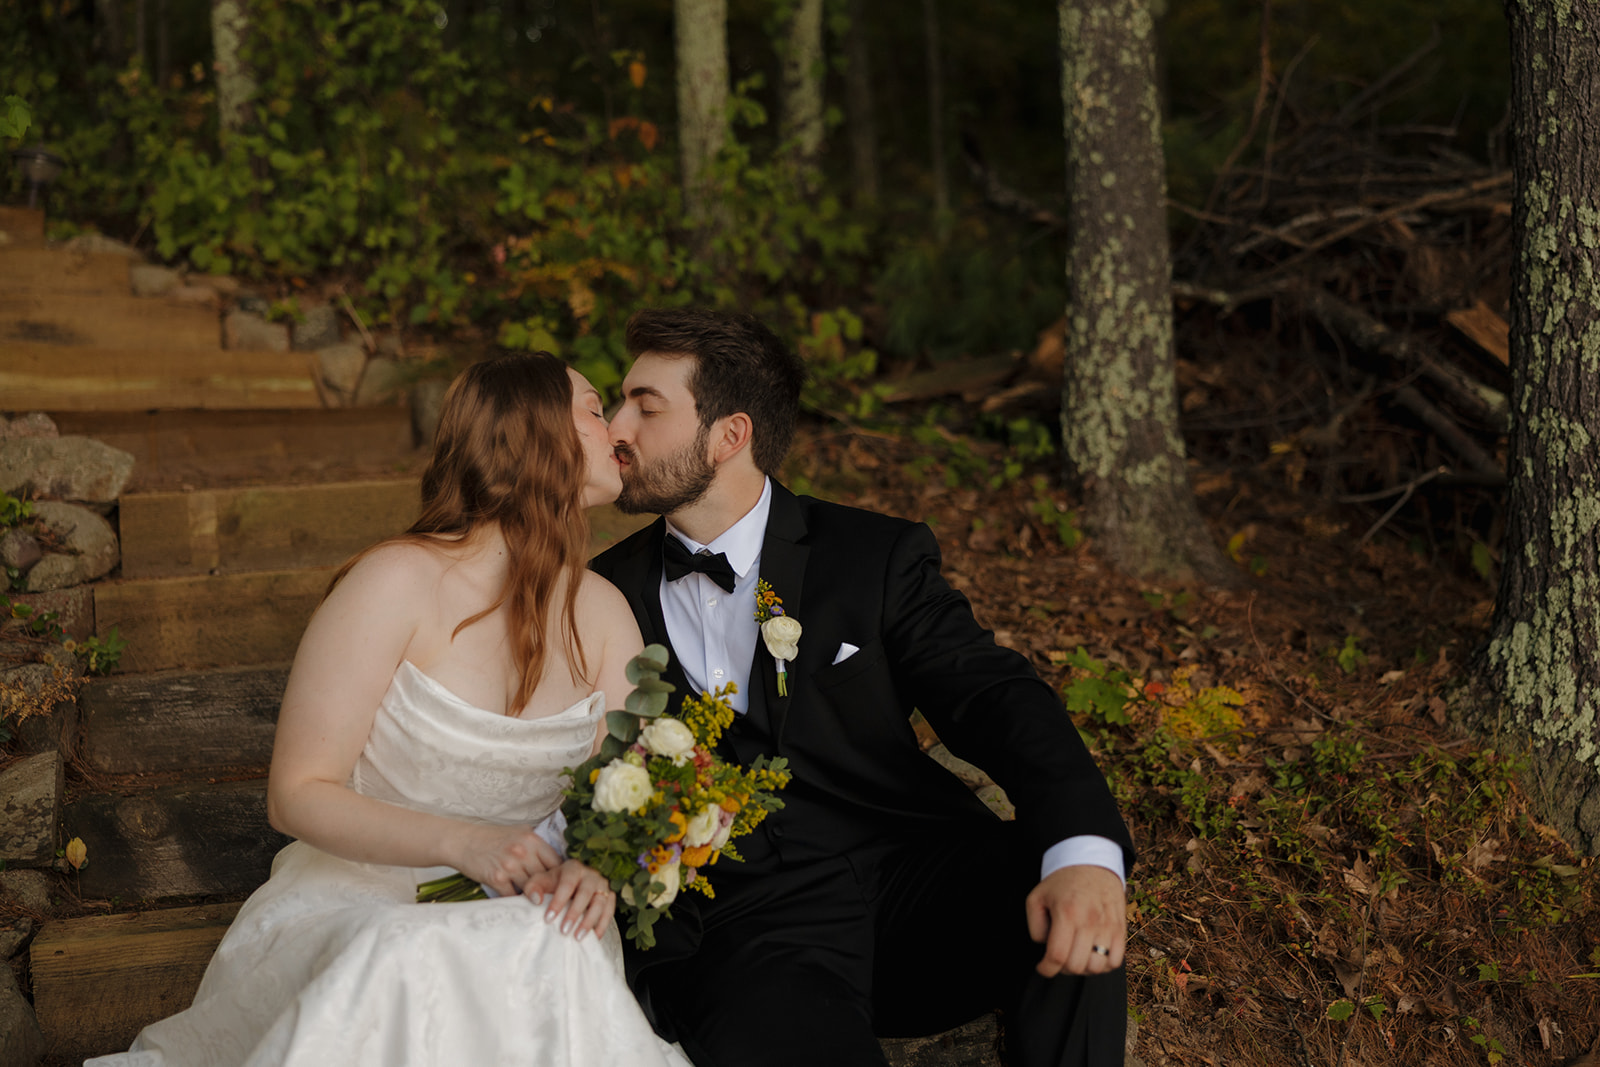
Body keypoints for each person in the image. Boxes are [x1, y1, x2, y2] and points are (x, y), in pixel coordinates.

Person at [87, 353, 693, 1067]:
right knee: (410, 952)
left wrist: (596, 866)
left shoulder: (602, 611)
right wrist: (465, 844)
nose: (617, 429)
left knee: (546, 950)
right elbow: (295, 793)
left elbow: (633, 789)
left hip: (530, 923)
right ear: (535, 434)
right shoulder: (396, 581)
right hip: (357, 907)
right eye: (594, 408)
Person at [589, 308, 1136, 1067]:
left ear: (729, 435)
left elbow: (994, 696)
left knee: (1065, 892)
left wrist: (1085, 851)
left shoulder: (872, 556)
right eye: (619, 403)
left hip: (910, 883)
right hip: (747, 928)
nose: (617, 426)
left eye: (645, 406)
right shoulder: (600, 594)